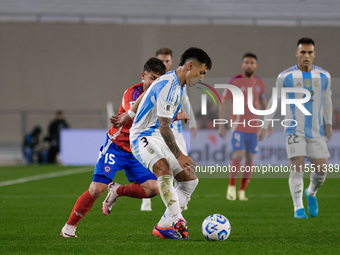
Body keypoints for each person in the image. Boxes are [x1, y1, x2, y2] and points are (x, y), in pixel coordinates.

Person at [111, 47, 211, 240]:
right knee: (163, 169)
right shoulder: (169, 86)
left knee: (190, 180)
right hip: (142, 137)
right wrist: (180, 155)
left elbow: (146, 95)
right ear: (190, 66)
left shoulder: (176, 83)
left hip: (158, 136)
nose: (202, 78)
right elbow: (165, 127)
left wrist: (128, 114)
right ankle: (178, 219)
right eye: (201, 72)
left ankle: (163, 225)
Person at [60, 58, 166, 237]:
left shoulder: (160, 94)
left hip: (136, 151)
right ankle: (69, 227)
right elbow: (138, 113)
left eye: (158, 80)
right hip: (116, 147)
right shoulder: (132, 92)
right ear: (143, 76)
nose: (154, 83)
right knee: (96, 189)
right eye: (151, 78)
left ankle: (117, 190)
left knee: (153, 189)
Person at [258, 37, 332, 219]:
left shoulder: (324, 76)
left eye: (309, 52)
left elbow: (327, 99)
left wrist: (328, 123)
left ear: (314, 54)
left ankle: (311, 193)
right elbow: (275, 100)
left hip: (316, 131)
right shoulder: (285, 77)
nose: (306, 56)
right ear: (297, 54)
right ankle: (298, 208)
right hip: (293, 129)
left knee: (322, 170)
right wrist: (265, 124)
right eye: (302, 52)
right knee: (297, 164)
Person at [140, 48, 198, 211]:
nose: (164, 64)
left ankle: (178, 199)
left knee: (182, 166)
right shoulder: (157, 82)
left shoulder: (178, 81)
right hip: (157, 130)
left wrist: (192, 122)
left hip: (176, 131)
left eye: (166, 61)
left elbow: (185, 103)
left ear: (171, 62)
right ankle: (147, 200)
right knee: (157, 163)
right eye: (161, 61)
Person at [218, 53, 270, 201]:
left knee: (250, 158)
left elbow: (263, 103)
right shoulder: (234, 81)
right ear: (242, 65)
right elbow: (225, 102)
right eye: (246, 62)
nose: (249, 65)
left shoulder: (260, 83)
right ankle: (232, 186)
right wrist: (221, 124)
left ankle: (242, 190)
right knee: (239, 155)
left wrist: (267, 123)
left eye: (252, 63)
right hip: (238, 125)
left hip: (253, 127)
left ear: (256, 66)